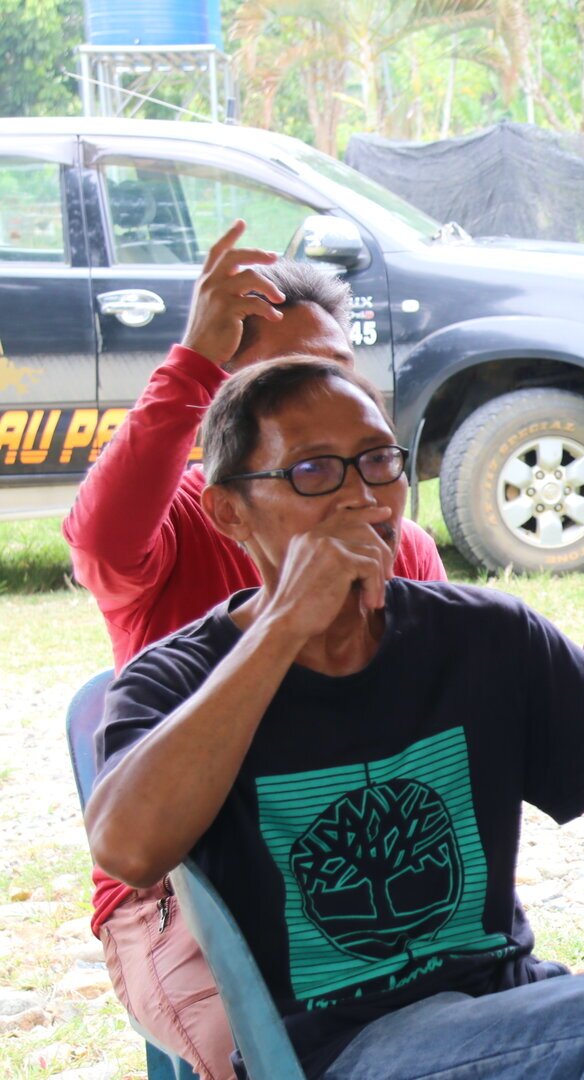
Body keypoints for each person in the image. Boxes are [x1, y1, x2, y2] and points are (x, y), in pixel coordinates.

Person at [86, 357, 584, 1080]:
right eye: (313, 471)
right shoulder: (180, 678)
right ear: (228, 511)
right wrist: (283, 627)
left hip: (503, 1009)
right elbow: (127, 850)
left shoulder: (481, 637)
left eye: (378, 462)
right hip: (335, 1051)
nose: (361, 497)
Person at [63, 222, 445, 1079]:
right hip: (190, 895)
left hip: (355, 874)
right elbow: (99, 540)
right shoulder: (182, 526)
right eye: (280, 381)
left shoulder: (405, 548)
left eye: (333, 372)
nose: (318, 402)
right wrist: (193, 359)